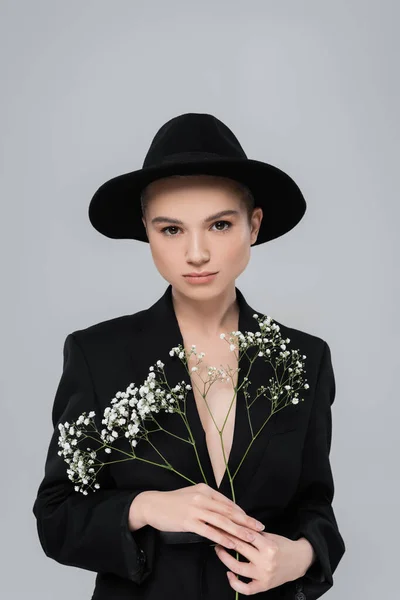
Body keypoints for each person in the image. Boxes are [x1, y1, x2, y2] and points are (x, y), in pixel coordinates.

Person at [32, 113, 345, 600]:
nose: (196, 253)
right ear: (147, 232)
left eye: (219, 224)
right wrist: (146, 506)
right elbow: (56, 516)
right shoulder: (97, 355)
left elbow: (316, 509)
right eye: (172, 230)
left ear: (254, 225)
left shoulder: (304, 359)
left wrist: (298, 557)